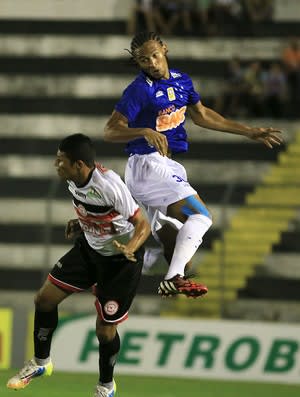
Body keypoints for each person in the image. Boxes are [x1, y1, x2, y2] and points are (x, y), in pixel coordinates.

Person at [103, 31, 283, 299]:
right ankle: (172, 277)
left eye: (154, 55)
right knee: (200, 217)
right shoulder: (139, 90)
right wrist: (143, 131)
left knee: (175, 248)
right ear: (138, 63)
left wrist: (247, 131)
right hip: (149, 165)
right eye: (143, 60)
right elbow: (110, 130)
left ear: (164, 48)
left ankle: (131, 262)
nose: (151, 63)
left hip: (160, 168)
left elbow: (202, 115)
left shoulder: (182, 81)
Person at [7, 133, 151, 397]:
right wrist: (81, 223)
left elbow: (143, 225)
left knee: (105, 331)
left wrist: (129, 248)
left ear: (79, 164)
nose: (56, 165)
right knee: (44, 300)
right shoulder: (74, 181)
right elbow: (95, 211)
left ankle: (106, 387)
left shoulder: (110, 185)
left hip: (120, 262)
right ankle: (41, 363)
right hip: (89, 248)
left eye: (61, 161)